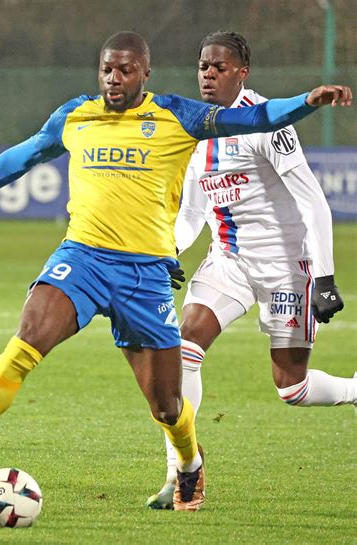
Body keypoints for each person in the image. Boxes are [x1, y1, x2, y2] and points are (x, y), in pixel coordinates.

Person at [0, 31, 352, 513]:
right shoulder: (76, 115)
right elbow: (21, 156)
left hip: (144, 276)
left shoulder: (178, 116)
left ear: (145, 74)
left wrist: (307, 101)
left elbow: (256, 117)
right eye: (107, 68)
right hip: (83, 259)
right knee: (26, 339)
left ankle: (189, 463)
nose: (114, 78)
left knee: (167, 408)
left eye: (125, 70)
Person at [146, 30, 357, 510]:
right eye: (203, 65)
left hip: (287, 267)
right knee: (184, 347)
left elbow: (313, 200)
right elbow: (193, 213)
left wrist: (323, 278)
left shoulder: (269, 124)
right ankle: (182, 472)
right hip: (229, 260)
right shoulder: (194, 129)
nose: (208, 73)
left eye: (219, 66)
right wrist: (168, 251)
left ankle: (353, 390)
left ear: (242, 73)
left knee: (293, 388)